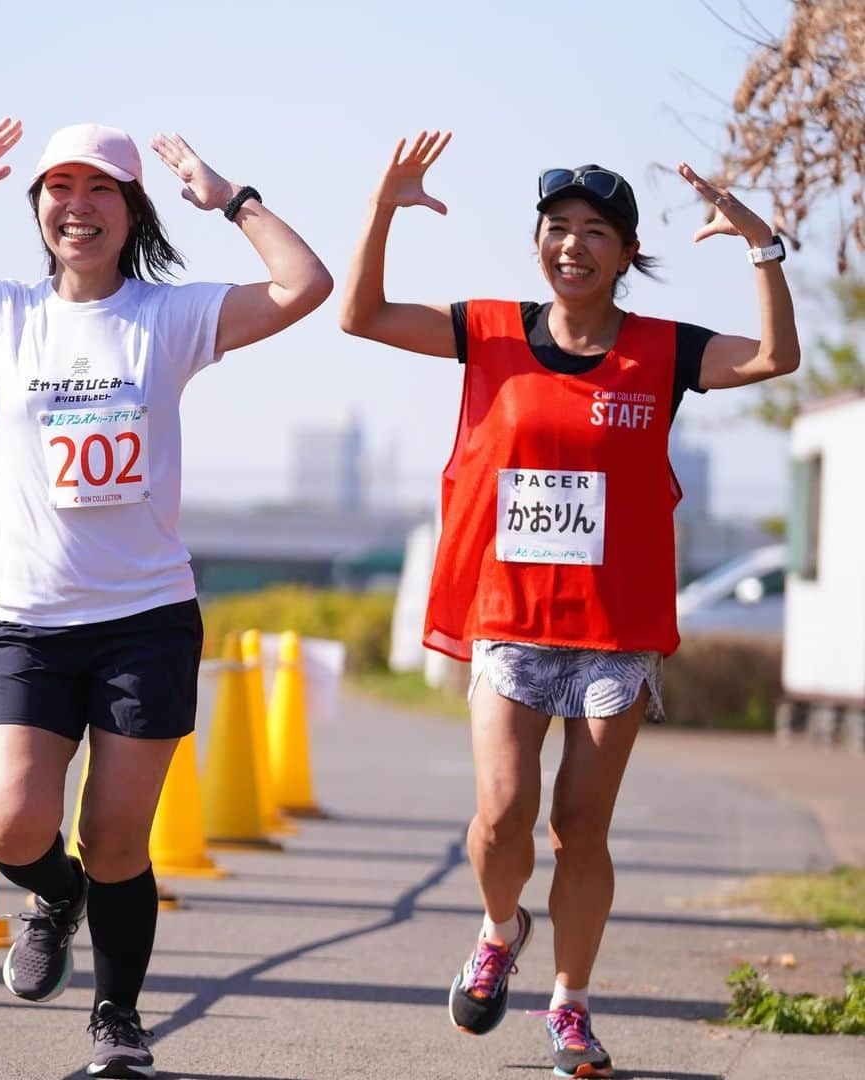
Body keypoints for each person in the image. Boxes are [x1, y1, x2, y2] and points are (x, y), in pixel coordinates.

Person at [0, 117, 331, 1078]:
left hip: (144, 620)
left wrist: (232, 198)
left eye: (101, 190)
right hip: (28, 622)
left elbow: (304, 288)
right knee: (12, 826)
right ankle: (51, 898)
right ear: (39, 210)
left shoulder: (169, 318)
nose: (78, 206)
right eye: (60, 189)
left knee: (114, 838)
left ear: (131, 209)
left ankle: (117, 1017)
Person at [340, 132, 799, 1078]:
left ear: (627, 254)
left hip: (617, 634)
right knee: (502, 816)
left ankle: (570, 1007)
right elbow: (363, 316)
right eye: (558, 228)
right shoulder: (490, 330)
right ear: (538, 241)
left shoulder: (663, 352)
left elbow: (776, 360)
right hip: (510, 617)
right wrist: (384, 205)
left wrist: (761, 245)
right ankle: (501, 926)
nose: (574, 245)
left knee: (579, 827)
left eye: (597, 232)